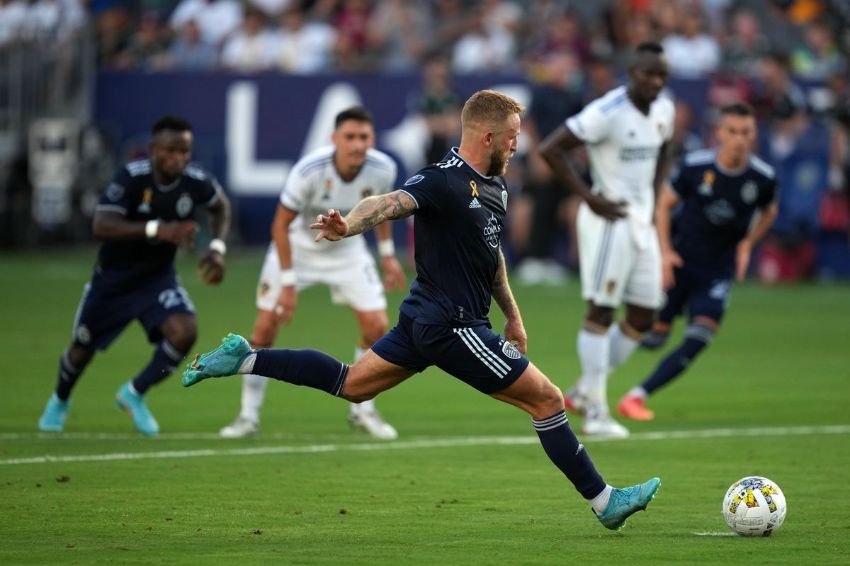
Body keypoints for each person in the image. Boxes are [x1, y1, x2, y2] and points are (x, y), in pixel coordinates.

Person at [184, 89, 660, 531]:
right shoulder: (442, 179)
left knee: (352, 384)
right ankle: (605, 501)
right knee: (548, 400)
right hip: (452, 325)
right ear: (487, 136)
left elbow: (491, 255)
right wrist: (348, 226)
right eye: (513, 136)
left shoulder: (495, 187)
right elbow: (387, 203)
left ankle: (245, 358)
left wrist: (512, 315)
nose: (519, 145)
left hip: (424, 320)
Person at [218, 106, 406, 440]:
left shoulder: (383, 168)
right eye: (350, 137)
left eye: (363, 137)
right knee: (264, 327)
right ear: (334, 139)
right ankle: (248, 416)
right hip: (298, 248)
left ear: (372, 139)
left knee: (377, 326)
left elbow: (380, 212)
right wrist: (288, 284)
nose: (357, 144)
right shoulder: (309, 171)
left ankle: (363, 410)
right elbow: (280, 225)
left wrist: (388, 256)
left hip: (347, 251)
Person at [37, 115, 231, 436]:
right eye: (171, 150)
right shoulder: (131, 177)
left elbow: (220, 206)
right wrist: (158, 229)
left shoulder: (195, 180)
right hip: (114, 280)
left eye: (184, 151)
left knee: (185, 331)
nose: (179, 158)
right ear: (154, 150)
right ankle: (59, 399)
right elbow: (102, 224)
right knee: (82, 348)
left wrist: (218, 248)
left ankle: (134, 393)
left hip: (157, 279)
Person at [539, 42, 676, 438]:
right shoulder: (607, 111)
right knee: (601, 310)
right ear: (632, 72)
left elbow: (664, 151)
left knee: (645, 313)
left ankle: (584, 390)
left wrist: (652, 199)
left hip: (640, 221)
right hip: (608, 220)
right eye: (648, 73)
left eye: (661, 75)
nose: (655, 81)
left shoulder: (664, 109)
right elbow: (551, 148)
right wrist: (589, 197)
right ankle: (596, 411)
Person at [617, 103, 779, 420]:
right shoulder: (695, 166)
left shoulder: (762, 178)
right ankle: (589, 380)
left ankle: (636, 397)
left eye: (745, 132)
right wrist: (665, 253)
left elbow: (769, 210)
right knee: (652, 336)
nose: (739, 139)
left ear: (754, 135)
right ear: (720, 133)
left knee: (699, 337)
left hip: (717, 271)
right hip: (680, 263)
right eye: (732, 131)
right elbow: (664, 205)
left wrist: (747, 244)